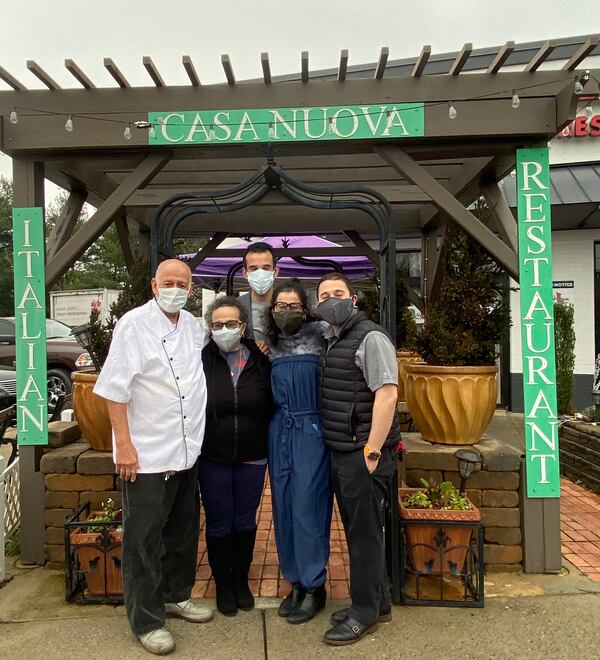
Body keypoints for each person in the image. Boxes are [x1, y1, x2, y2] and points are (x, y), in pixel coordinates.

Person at [94, 259, 212, 656]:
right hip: (145, 456)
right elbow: (113, 390)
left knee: (181, 532)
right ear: (154, 285)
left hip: (185, 450)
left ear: (191, 289)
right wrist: (124, 445)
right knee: (143, 540)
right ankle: (146, 619)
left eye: (183, 283)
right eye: (169, 282)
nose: (176, 288)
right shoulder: (134, 325)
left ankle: (177, 595)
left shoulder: (193, 326)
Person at [316, 272, 400, 647]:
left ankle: (363, 612)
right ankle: (377, 600)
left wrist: (372, 451)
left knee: (364, 535)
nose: (331, 299)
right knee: (357, 531)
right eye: (324, 295)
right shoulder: (334, 338)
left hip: (362, 454)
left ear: (354, 299)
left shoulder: (371, 337)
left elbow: (387, 395)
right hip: (344, 450)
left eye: (338, 293)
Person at [199, 296, 273, 617]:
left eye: (231, 324)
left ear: (242, 326)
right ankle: (223, 582)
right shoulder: (200, 359)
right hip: (212, 455)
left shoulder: (260, 359)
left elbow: (273, 399)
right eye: (217, 324)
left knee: (244, 519)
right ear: (210, 328)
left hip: (253, 454)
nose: (224, 329)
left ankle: (241, 578)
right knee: (218, 521)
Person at [265, 279, 332, 625]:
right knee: (284, 505)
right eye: (280, 306)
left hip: (311, 429)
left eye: (293, 306)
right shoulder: (271, 343)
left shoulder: (321, 335)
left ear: (305, 309)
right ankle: (295, 581)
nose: (287, 311)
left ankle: (314, 584)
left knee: (309, 505)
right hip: (280, 431)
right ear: (272, 310)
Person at [239, 242, 279, 346]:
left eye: (266, 268)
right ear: (245, 273)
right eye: (254, 269)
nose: (260, 274)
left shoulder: (290, 305)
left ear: (275, 272)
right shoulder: (235, 306)